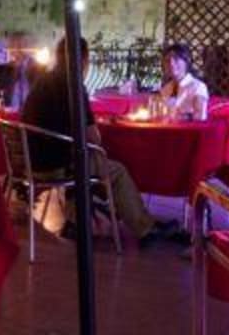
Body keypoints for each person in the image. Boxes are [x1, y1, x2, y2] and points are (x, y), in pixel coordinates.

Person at [20, 38, 175, 248]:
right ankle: (144, 229)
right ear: (83, 60)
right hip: (57, 165)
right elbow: (94, 137)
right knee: (115, 170)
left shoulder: (42, 82)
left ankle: (75, 222)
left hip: (32, 162)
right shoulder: (73, 85)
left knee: (83, 157)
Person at [0, 32, 42, 110]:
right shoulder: (1, 69)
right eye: (13, 46)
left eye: (22, 45)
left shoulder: (40, 70)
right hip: (9, 114)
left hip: (33, 113)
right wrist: (13, 74)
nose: (18, 49)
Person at [159, 43, 210, 121]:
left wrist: (180, 117)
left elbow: (200, 115)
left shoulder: (198, 86)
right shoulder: (166, 88)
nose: (171, 64)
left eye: (176, 59)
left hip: (190, 128)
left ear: (186, 62)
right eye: (167, 60)